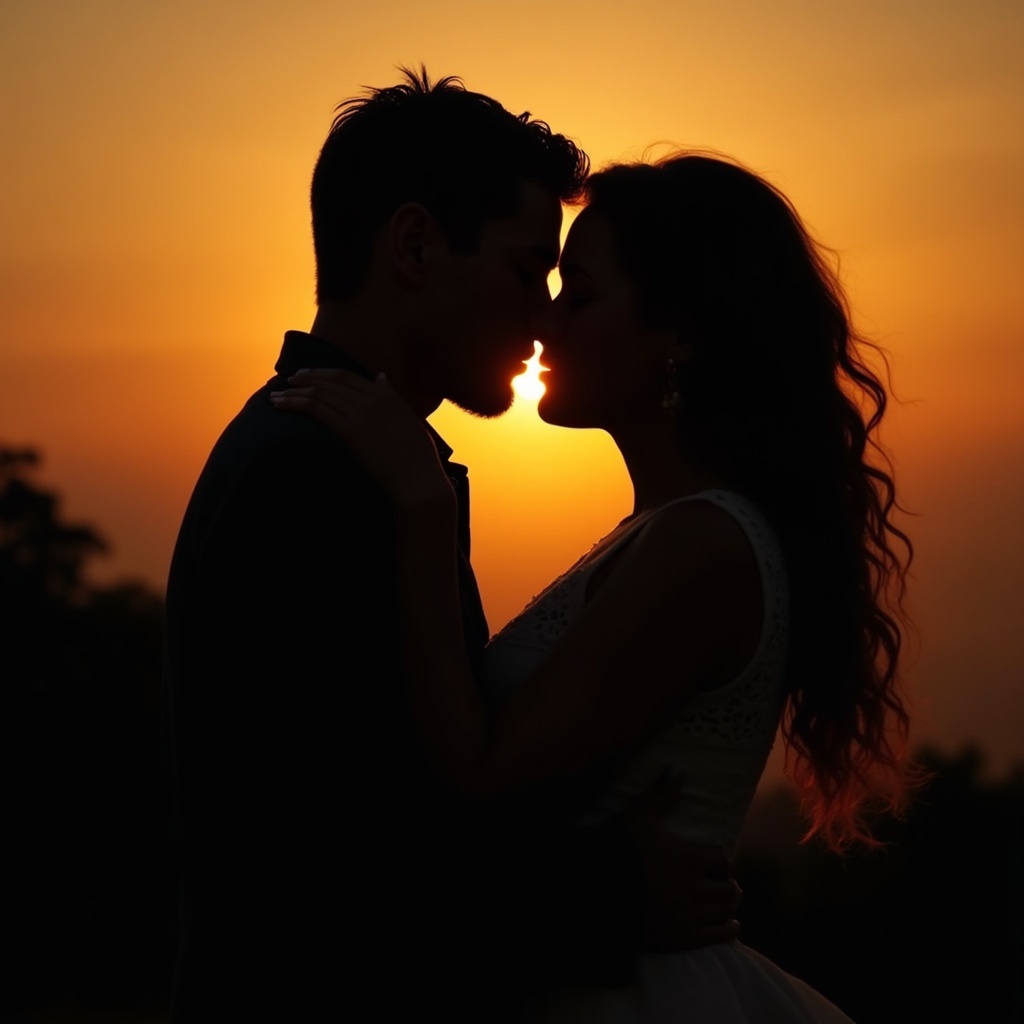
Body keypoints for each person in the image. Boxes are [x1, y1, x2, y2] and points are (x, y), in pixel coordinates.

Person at [271, 151, 919, 1022]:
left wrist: (423, 513)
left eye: (581, 295)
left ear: (676, 334)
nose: (546, 323)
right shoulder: (660, 533)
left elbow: (481, 771)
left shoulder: (704, 545)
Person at [163, 71, 739, 1022]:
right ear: (416, 245)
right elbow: (343, 858)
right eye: (525, 270)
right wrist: (616, 896)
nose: (544, 314)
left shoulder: (357, 459)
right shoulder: (311, 476)